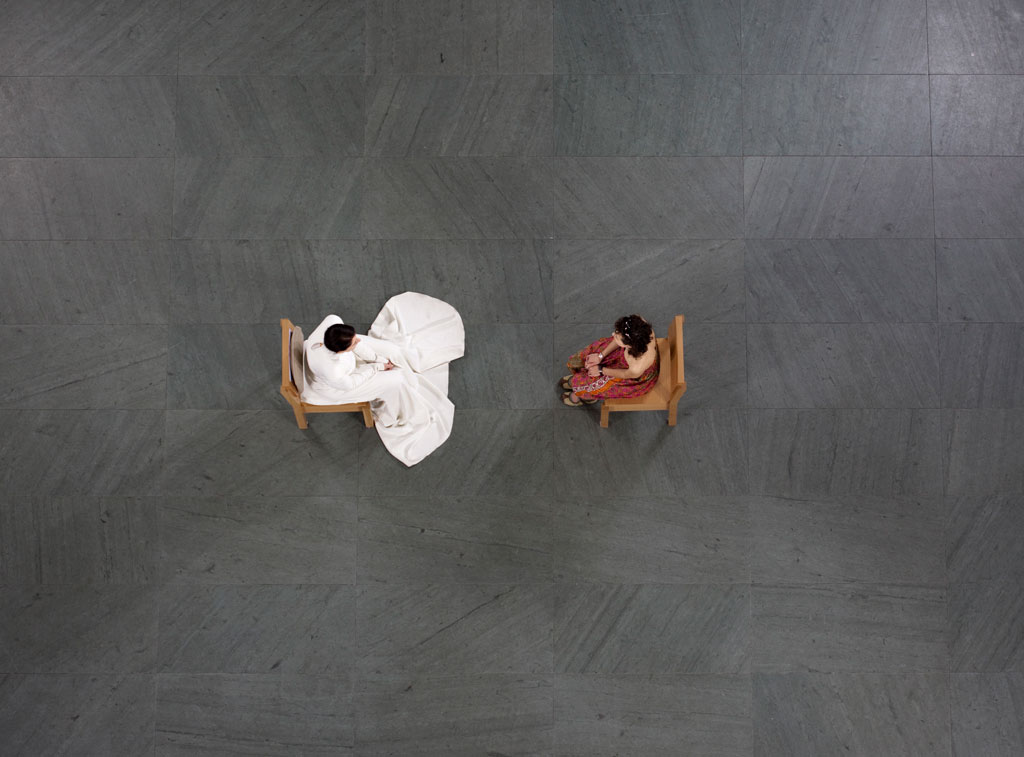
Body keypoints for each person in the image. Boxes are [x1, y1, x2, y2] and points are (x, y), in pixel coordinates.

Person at [303, 292, 465, 467]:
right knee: (395, 381)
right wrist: (376, 367)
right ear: (341, 351)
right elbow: (352, 383)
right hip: (340, 387)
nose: (357, 340)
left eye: (354, 337)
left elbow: (360, 345)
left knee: (391, 350)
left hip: (343, 367)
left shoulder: (332, 321)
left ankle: (408, 374)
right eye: (353, 343)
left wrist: (378, 358)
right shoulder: (333, 371)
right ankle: (403, 409)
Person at [561, 314, 659, 406]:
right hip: (623, 354)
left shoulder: (636, 367)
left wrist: (600, 369)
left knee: (595, 383)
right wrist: (600, 356)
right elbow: (620, 339)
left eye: (616, 336)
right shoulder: (638, 323)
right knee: (589, 355)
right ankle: (580, 379)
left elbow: (624, 374)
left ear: (629, 345)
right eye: (616, 332)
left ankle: (585, 396)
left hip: (628, 374)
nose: (613, 334)